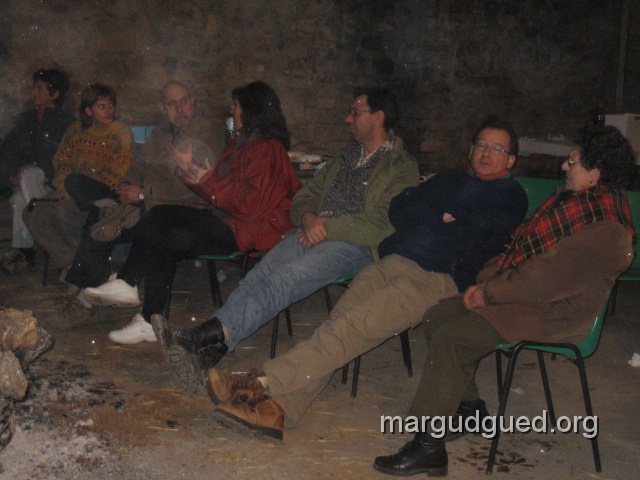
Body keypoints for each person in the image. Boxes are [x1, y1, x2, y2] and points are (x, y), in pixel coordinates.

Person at [175, 115, 529, 440]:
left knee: (350, 330)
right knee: (337, 326)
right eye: (481, 144)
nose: (486, 153)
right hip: (393, 262)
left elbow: (476, 223)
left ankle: (261, 382)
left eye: (497, 149)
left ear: (511, 160)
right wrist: (441, 214)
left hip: (437, 280)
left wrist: (435, 209)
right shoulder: (450, 181)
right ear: (471, 148)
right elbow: (400, 207)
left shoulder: (510, 196)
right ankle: (279, 411)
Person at [372, 124, 636, 477]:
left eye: (572, 161)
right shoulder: (579, 205)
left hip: (556, 314)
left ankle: (428, 446)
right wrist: (491, 277)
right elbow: (528, 255)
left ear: (595, 174)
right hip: (532, 299)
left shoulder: (606, 229)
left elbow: (545, 278)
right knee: (438, 316)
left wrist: (488, 291)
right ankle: (470, 409)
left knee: (455, 336)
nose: (564, 166)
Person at [150, 87, 421, 390]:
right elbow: (303, 196)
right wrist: (308, 218)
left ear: (378, 117)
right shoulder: (345, 158)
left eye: (355, 112)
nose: (348, 119)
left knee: (285, 279)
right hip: (311, 232)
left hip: (355, 245)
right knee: (258, 276)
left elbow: (384, 223)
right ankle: (210, 353)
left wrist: (326, 227)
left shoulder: (401, 167)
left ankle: (197, 338)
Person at [82, 80, 302, 345]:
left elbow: (248, 204)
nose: (232, 110)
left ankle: (141, 305)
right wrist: (192, 171)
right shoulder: (241, 143)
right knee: (160, 219)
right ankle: (138, 301)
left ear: (251, 110)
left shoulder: (267, 149)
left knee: (164, 233)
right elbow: (219, 187)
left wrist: (206, 179)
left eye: (236, 105)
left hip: (249, 229)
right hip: (229, 218)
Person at [57, 80, 225, 328]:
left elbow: (192, 184)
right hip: (144, 202)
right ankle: (114, 209)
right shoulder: (161, 133)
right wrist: (127, 185)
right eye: (172, 104)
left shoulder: (206, 131)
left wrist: (144, 194)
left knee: (103, 217)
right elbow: (141, 165)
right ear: (162, 108)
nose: (180, 109)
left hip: (179, 211)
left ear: (192, 102)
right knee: (88, 198)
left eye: (184, 102)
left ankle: (86, 296)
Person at [23, 83, 135, 290]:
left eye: (111, 105)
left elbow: (118, 170)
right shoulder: (76, 131)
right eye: (102, 106)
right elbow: (61, 162)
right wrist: (64, 188)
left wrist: (76, 191)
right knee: (32, 212)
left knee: (63, 211)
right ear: (89, 110)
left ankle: (84, 269)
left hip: (102, 194)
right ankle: (71, 263)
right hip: (71, 190)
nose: (109, 110)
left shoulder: (120, 132)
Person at [0, 68, 75, 272]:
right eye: (34, 88)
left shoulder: (67, 123)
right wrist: (9, 176)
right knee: (17, 199)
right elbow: (6, 152)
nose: (34, 92)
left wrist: (53, 179)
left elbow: (70, 160)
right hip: (27, 184)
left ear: (54, 93)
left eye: (39, 89)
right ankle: (28, 253)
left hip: (52, 186)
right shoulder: (25, 120)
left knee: (29, 176)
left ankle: (44, 237)